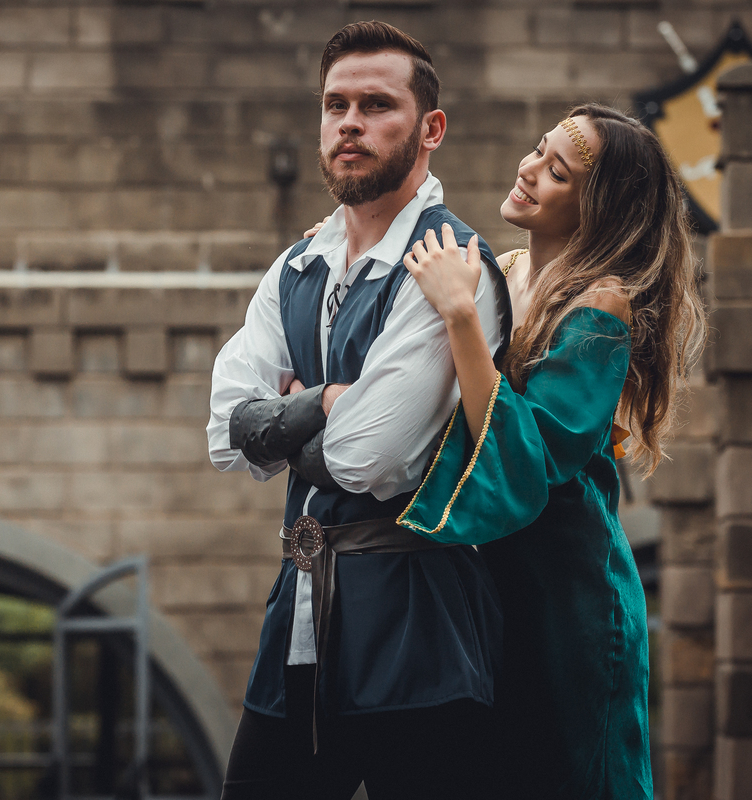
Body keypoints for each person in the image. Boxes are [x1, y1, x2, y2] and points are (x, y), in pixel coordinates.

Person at [206, 21, 513, 800]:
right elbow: (224, 431)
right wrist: (329, 402)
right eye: (335, 105)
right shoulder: (295, 265)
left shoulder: (452, 267)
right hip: (300, 616)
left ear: (430, 128)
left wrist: (287, 420)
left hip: (420, 629)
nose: (350, 123)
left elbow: (369, 459)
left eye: (377, 105)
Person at [395, 105, 705, 798]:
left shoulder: (603, 307)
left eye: (558, 171)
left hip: (571, 596)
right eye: (538, 150)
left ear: (600, 209)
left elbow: (527, 457)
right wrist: (339, 245)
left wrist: (462, 316)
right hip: (494, 583)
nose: (529, 169)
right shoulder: (500, 270)